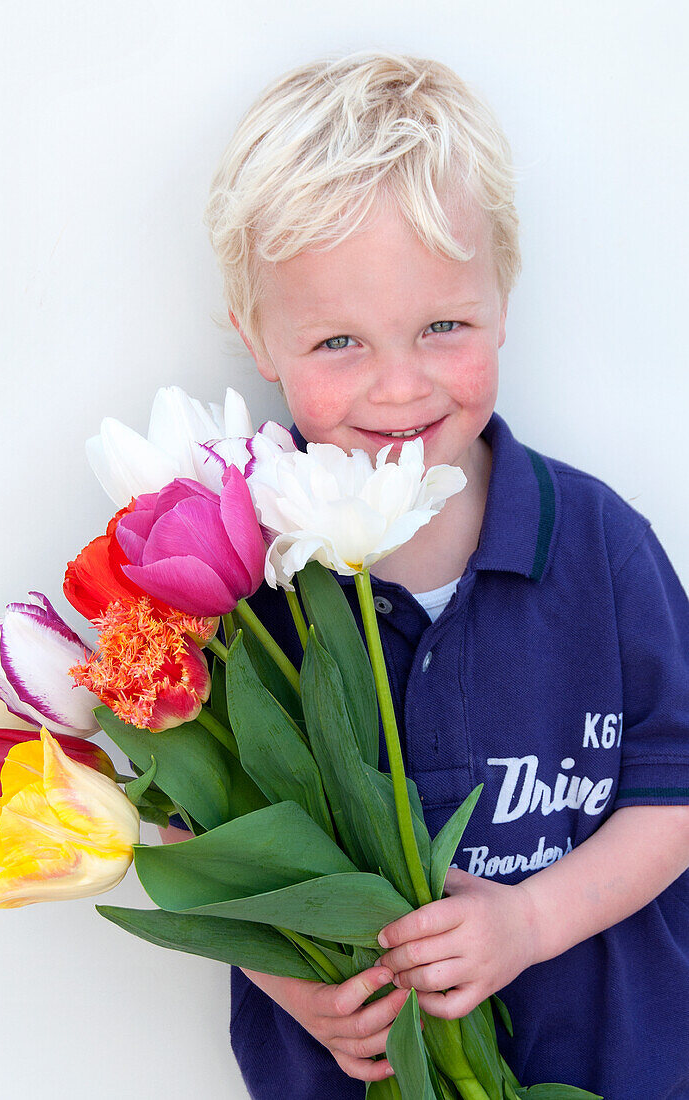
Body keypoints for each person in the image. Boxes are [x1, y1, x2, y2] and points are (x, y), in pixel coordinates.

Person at [164, 50, 689, 1098]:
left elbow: (673, 793)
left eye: (442, 326)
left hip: (613, 1065)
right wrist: (290, 980)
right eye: (337, 340)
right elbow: (190, 829)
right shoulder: (232, 583)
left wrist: (528, 918)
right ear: (254, 337)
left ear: (503, 297)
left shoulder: (596, 542)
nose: (397, 387)